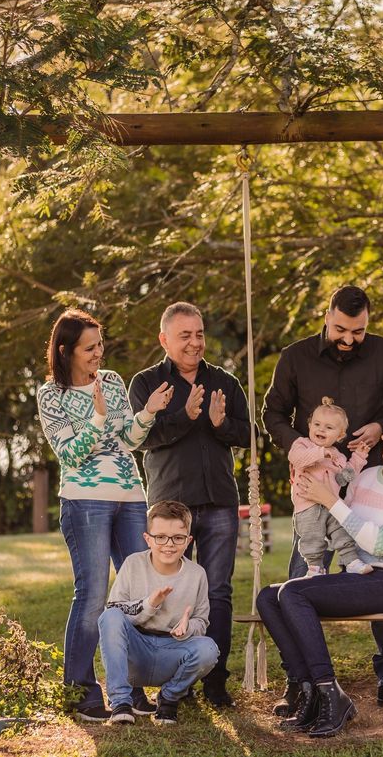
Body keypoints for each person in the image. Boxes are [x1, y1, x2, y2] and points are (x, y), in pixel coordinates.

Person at [262, 285, 383, 714]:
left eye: (359, 331)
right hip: (314, 486)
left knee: (376, 568)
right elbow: (272, 414)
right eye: (341, 329)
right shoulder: (294, 357)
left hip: (366, 481)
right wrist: (303, 449)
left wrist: (378, 424)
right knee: (302, 571)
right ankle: (300, 683)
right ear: (327, 315)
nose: (350, 339)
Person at [256, 402, 383, 738]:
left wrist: (330, 500)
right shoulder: (368, 476)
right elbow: (338, 525)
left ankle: (331, 693)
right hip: (354, 573)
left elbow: (382, 542)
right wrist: (310, 497)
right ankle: (309, 690)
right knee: (268, 597)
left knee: (293, 592)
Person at [36, 308, 174, 722]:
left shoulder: (111, 381)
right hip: (84, 500)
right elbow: (72, 453)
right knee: (94, 595)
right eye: (90, 347)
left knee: (134, 593)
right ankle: (80, 689)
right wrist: (97, 417)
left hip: (131, 496)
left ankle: (129, 686)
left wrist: (147, 412)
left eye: (101, 344)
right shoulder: (50, 395)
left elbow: (127, 441)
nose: (99, 353)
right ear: (66, 351)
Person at [128, 302, 251, 708]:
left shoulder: (225, 382)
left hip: (218, 502)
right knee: (170, 592)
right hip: (169, 508)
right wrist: (184, 415)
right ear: (164, 339)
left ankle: (215, 680)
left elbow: (247, 435)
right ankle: (172, 679)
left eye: (199, 334)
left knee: (217, 592)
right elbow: (142, 438)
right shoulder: (146, 383)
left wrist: (218, 424)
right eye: (185, 335)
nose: (195, 342)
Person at [98, 500, 220, 726]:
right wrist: (149, 604)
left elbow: (201, 621)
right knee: (109, 617)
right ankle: (121, 703)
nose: (169, 544)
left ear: (188, 541)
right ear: (147, 539)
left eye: (178, 538)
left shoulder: (197, 574)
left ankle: (169, 698)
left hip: (172, 653)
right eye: (160, 537)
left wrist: (187, 627)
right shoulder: (133, 564)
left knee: (208, 649)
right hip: (136, 652)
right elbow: (114, 610)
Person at [287, 398, 372, 577]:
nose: (321, 429)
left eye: (329, 427)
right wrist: (320, 452)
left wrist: (359, 457)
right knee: (312, 538)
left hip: (332, 505)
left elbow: (343, 478)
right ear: (309, 425)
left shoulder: (338, 456)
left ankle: (351, 561)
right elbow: (297, 459)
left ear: (340, 436)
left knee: (342, 532)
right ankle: (315, 568)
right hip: (307, 506)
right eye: (317, 424)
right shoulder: (302, 444)